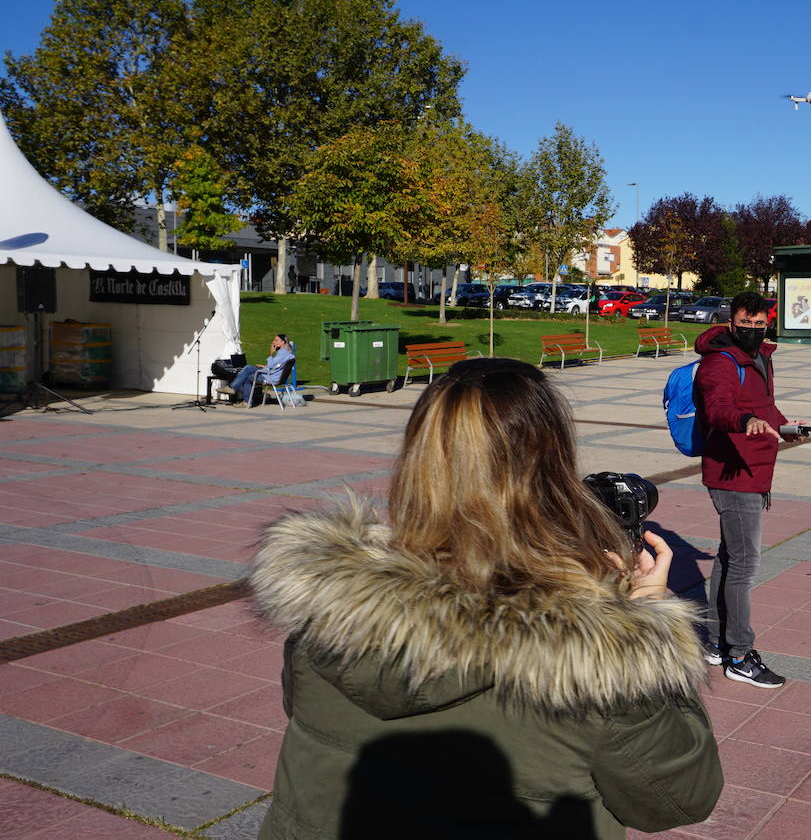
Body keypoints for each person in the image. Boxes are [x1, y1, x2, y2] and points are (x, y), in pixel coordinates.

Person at [250, 359, 722, 839]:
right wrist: (645, 624)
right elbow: (677, 799)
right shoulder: (595, 652)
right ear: (552, 470)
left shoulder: (331, 603)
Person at [695, 290, 803, 689]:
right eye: (746, 325)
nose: (753, 331)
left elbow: (766, 406)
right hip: (732, 473)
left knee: (728, 558)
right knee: (744, 565)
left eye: (760, 326)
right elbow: (718, 407)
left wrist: (787, 427)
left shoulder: (760, 357)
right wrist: (743, 421)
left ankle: (714, 641)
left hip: (755, 468)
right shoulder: (719, 363)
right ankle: (739, 655)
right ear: (730, 323)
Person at [218, 333, 293, 404]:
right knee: (248, 373)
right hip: (275, 376)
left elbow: (271, 366)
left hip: (271, 378)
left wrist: (271, 353)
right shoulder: (288, 354)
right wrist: (265, 367)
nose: (273, 342)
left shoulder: (282, 353)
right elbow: (276, 366)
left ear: (282, 342)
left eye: (276, 340)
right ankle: (243, 399)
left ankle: (234, 389)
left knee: (247, 371)